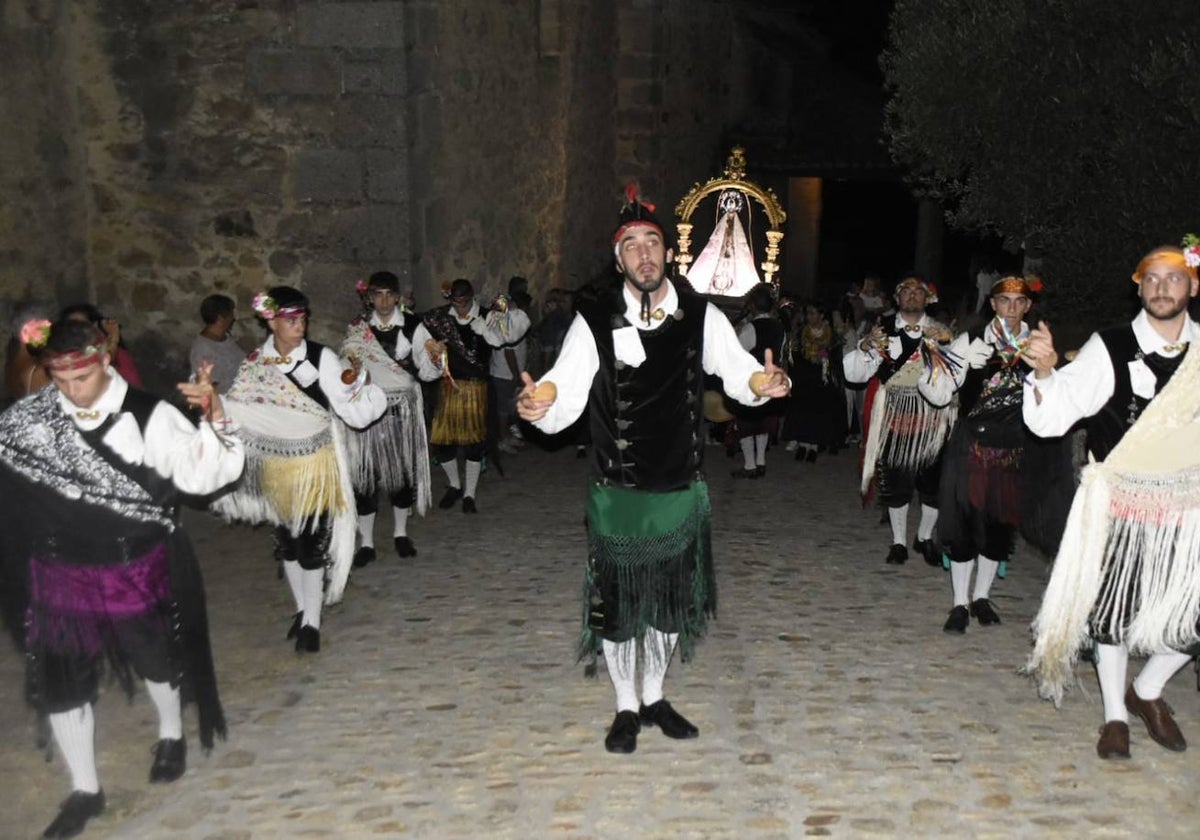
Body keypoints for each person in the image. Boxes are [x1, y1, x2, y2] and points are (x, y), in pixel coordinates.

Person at [516, 187, 790, 754]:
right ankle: (624, 707)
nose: (645, 255)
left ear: (667, 252)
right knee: (617, 607)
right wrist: (538, 405)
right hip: (617, 490)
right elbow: (562, 385)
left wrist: (766, 383)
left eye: (653, 243)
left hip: (679, 488)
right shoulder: (593, 319)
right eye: (632, 245)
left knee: (667, 604)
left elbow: (740, 372)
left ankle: (655, 695)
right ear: (618, 259)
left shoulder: (700, 314)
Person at [0, 317, 244, 839]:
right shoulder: (29, 419)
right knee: (62, 681)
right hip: (58, 569)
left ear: (105, 361)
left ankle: (172, 732)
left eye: (80, 378)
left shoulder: (149, 415)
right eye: (58, 379)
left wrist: (215, 419)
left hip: (131, 563)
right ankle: (85, 789)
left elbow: (203, 477)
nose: (70, 390)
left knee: (153, 656)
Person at [1023, 239, 1200, 760]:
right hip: (1120, 500)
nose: (1162, 288)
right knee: (1113, 613)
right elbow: (1054, 416)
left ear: (1192, 286)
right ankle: (1115, 717)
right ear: (1139, 286)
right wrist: (1045, 372)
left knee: (1190, 614)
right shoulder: (1111, 345)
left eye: (1173, 278)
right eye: (1152, 278)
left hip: (1188, 506)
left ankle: (1146, 692)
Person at [214, 286, 387, 653]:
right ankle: (301, 608)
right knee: (286, 543)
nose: (300, 326)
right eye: (291, 320)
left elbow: (347, 405)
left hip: (314, 463)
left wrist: (360, 391)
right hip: (278, 465)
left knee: (310, 542)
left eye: (303, 319)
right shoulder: (256, 363)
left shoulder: (321, 359)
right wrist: (212, 405)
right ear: (271, 321)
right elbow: (240, 409)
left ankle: (312, 621)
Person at [919, 276, 1039, 632]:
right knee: (963, 525)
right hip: (970, 445)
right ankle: (959, 603)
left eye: (1019, 301)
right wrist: (956, 371)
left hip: (1012, 447)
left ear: (1028, 306)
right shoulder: (969, 342)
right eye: (1005, 300)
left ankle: (982, 597)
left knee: (997, 527)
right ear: (993, 304)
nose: (1012, 308)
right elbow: (935, 391)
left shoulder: (1036, 346)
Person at [844, 276, 956, 566]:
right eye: (905, 291)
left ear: (928, 299)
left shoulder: (942, 333)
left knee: (932, 485)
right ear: (897, 298)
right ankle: (898, 543)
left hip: (933, 417)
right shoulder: (882, 332)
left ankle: (924, 537)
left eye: (917, 292)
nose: (911, 296)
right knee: (897, 482)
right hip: (895, 414)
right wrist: (866, 348)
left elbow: (955, 377)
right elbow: (856, 375)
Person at [342, 272, 431, 565]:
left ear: (397, 297)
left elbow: (428, 369)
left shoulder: (414, 326)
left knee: (399, 475)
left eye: (388, 294)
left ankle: (400, 534)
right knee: (365, 477)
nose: (383, 300)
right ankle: (366, 543)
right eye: (377, 294)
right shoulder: (357, 329)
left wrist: (435, 359)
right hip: (367, 408)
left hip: (400, 409)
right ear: (369, 297)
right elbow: (347, 363)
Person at [411, 279, 508, 513]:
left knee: (475, 445)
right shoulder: (439, 318)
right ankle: (454, 485)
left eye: (464, 302)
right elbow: (416, 331)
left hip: (477, 389)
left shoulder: (487, 316)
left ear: (472, 297)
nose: (461, 307)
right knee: (442, 443)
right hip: (449, 387)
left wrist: (484, 327)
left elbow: (501, 340)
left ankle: (469, 494)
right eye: (456, 302)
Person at [730, 283, 785, 477]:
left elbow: (738, 352)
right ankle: (760, 461)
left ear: (754, 306)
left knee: (747, 422)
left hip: (752, 380)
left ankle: (750, 465)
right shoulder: (779, 327)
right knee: (763, 422)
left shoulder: (751, 328)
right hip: (772, 378)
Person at [783, 302, 845, 462]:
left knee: (819, 412)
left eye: (813, 313)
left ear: (822, 315)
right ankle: (803, 444)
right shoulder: (800, 333)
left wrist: (825, 356)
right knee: (804, 411)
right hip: (804, 378)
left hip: (822, 380)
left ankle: (814, 446)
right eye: (808, 313)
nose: (810, 317)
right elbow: (792, 355)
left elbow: (837, 358)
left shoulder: (831, 335)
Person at [489, 277, 533, 455]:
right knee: (503, 410)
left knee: (509, 408)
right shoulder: (510, 324)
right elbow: (508, 351)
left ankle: (507, 435)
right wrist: (516, 375)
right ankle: (502, 439)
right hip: (504, 373)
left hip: (507, 372)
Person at [60, 303, 143, 388]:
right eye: (72, 327)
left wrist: (113, 337)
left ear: (94, 327)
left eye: (82, 326)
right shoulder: (59, 357)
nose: (77, 332)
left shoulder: (118, 355)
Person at [189, 294, 247, 395]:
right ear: (220, 319)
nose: (233, 318)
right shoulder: (202, 350)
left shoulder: (226, 338)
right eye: (230, 314)